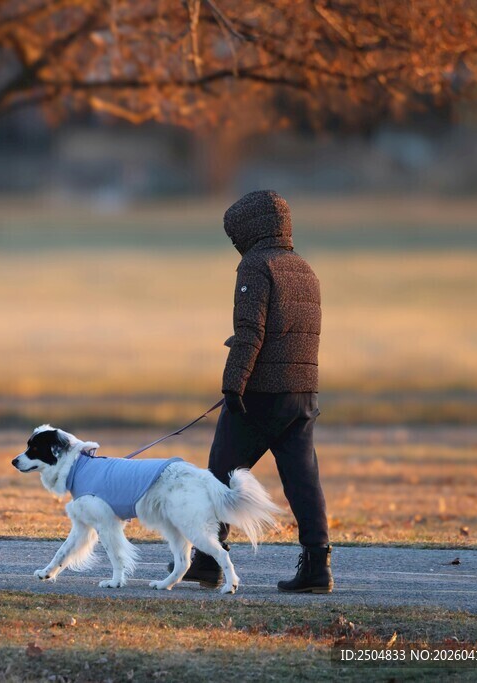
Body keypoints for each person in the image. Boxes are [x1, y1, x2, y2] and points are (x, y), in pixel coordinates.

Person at [177, 190, 333, 593]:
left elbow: (250, 333)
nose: (234, 244)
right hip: (303, 394)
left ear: (252, 229)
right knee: (303, 480)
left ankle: (209, 562)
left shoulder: (255, 266)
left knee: (219, 475)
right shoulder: (304, 269)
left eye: (236, 235)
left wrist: (233, 384)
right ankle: (318, 567)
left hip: (259, 394)